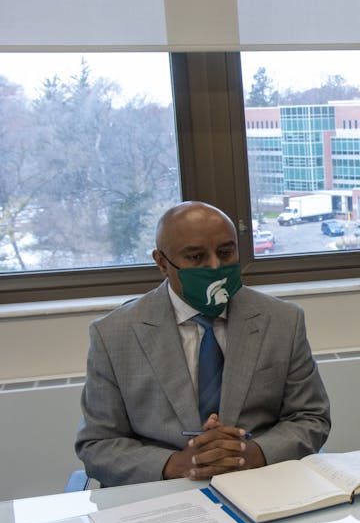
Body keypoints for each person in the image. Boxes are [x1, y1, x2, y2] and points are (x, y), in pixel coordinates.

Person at [76, 201, 331, 486]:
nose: (215, 267)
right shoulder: (113, 334)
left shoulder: (283, 320)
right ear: (162, 263)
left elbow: (311, 418)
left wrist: (253, 453)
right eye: (196, 257)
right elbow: (97, 444)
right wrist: (176, 464)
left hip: (259, 481)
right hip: (163, 490)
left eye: (225, 253)